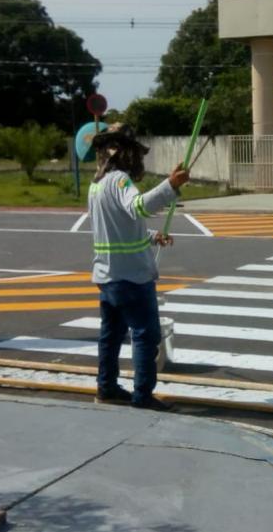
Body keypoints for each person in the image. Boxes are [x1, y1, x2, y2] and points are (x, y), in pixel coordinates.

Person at [88, 123, 189, 411]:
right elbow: (140, 207)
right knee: (146, 335)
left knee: (111, 336)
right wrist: (171, 185)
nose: (138, 159)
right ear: (123, 152)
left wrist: (151, 237)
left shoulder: (96, 184)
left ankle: (106, 388)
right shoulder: (119, 180)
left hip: (107, 277)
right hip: (131, 278)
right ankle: (142, 395)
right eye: (135, 152)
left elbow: (116, 229)